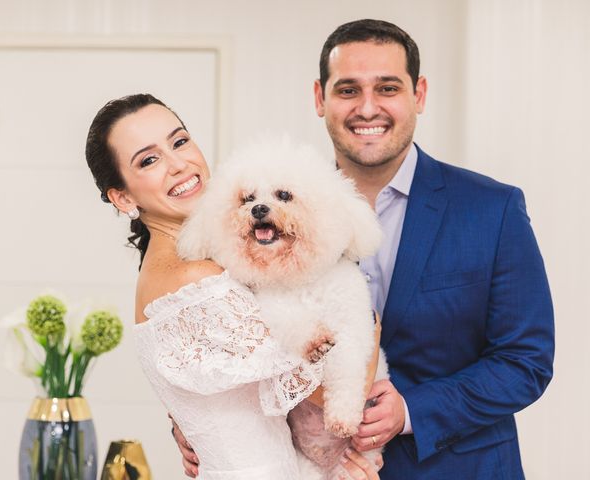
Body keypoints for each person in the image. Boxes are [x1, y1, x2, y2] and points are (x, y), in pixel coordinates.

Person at [174, 19, 555, 480]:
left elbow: (525, 360)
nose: (367, 107)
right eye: (348, 89)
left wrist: (412, 410)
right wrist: (201, 426)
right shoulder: (255, 220)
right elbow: (223, 342)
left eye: (388, 88)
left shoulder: (492, 209)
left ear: (420, 94)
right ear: (321, 98)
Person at [84, 93, 382, 479]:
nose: (178, 164)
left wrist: (186, 425)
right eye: (149, 160)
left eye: (179, 141)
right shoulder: (198, 282)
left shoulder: (190, 267)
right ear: (122, 196)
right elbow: (324, 391)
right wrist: (369, 320)